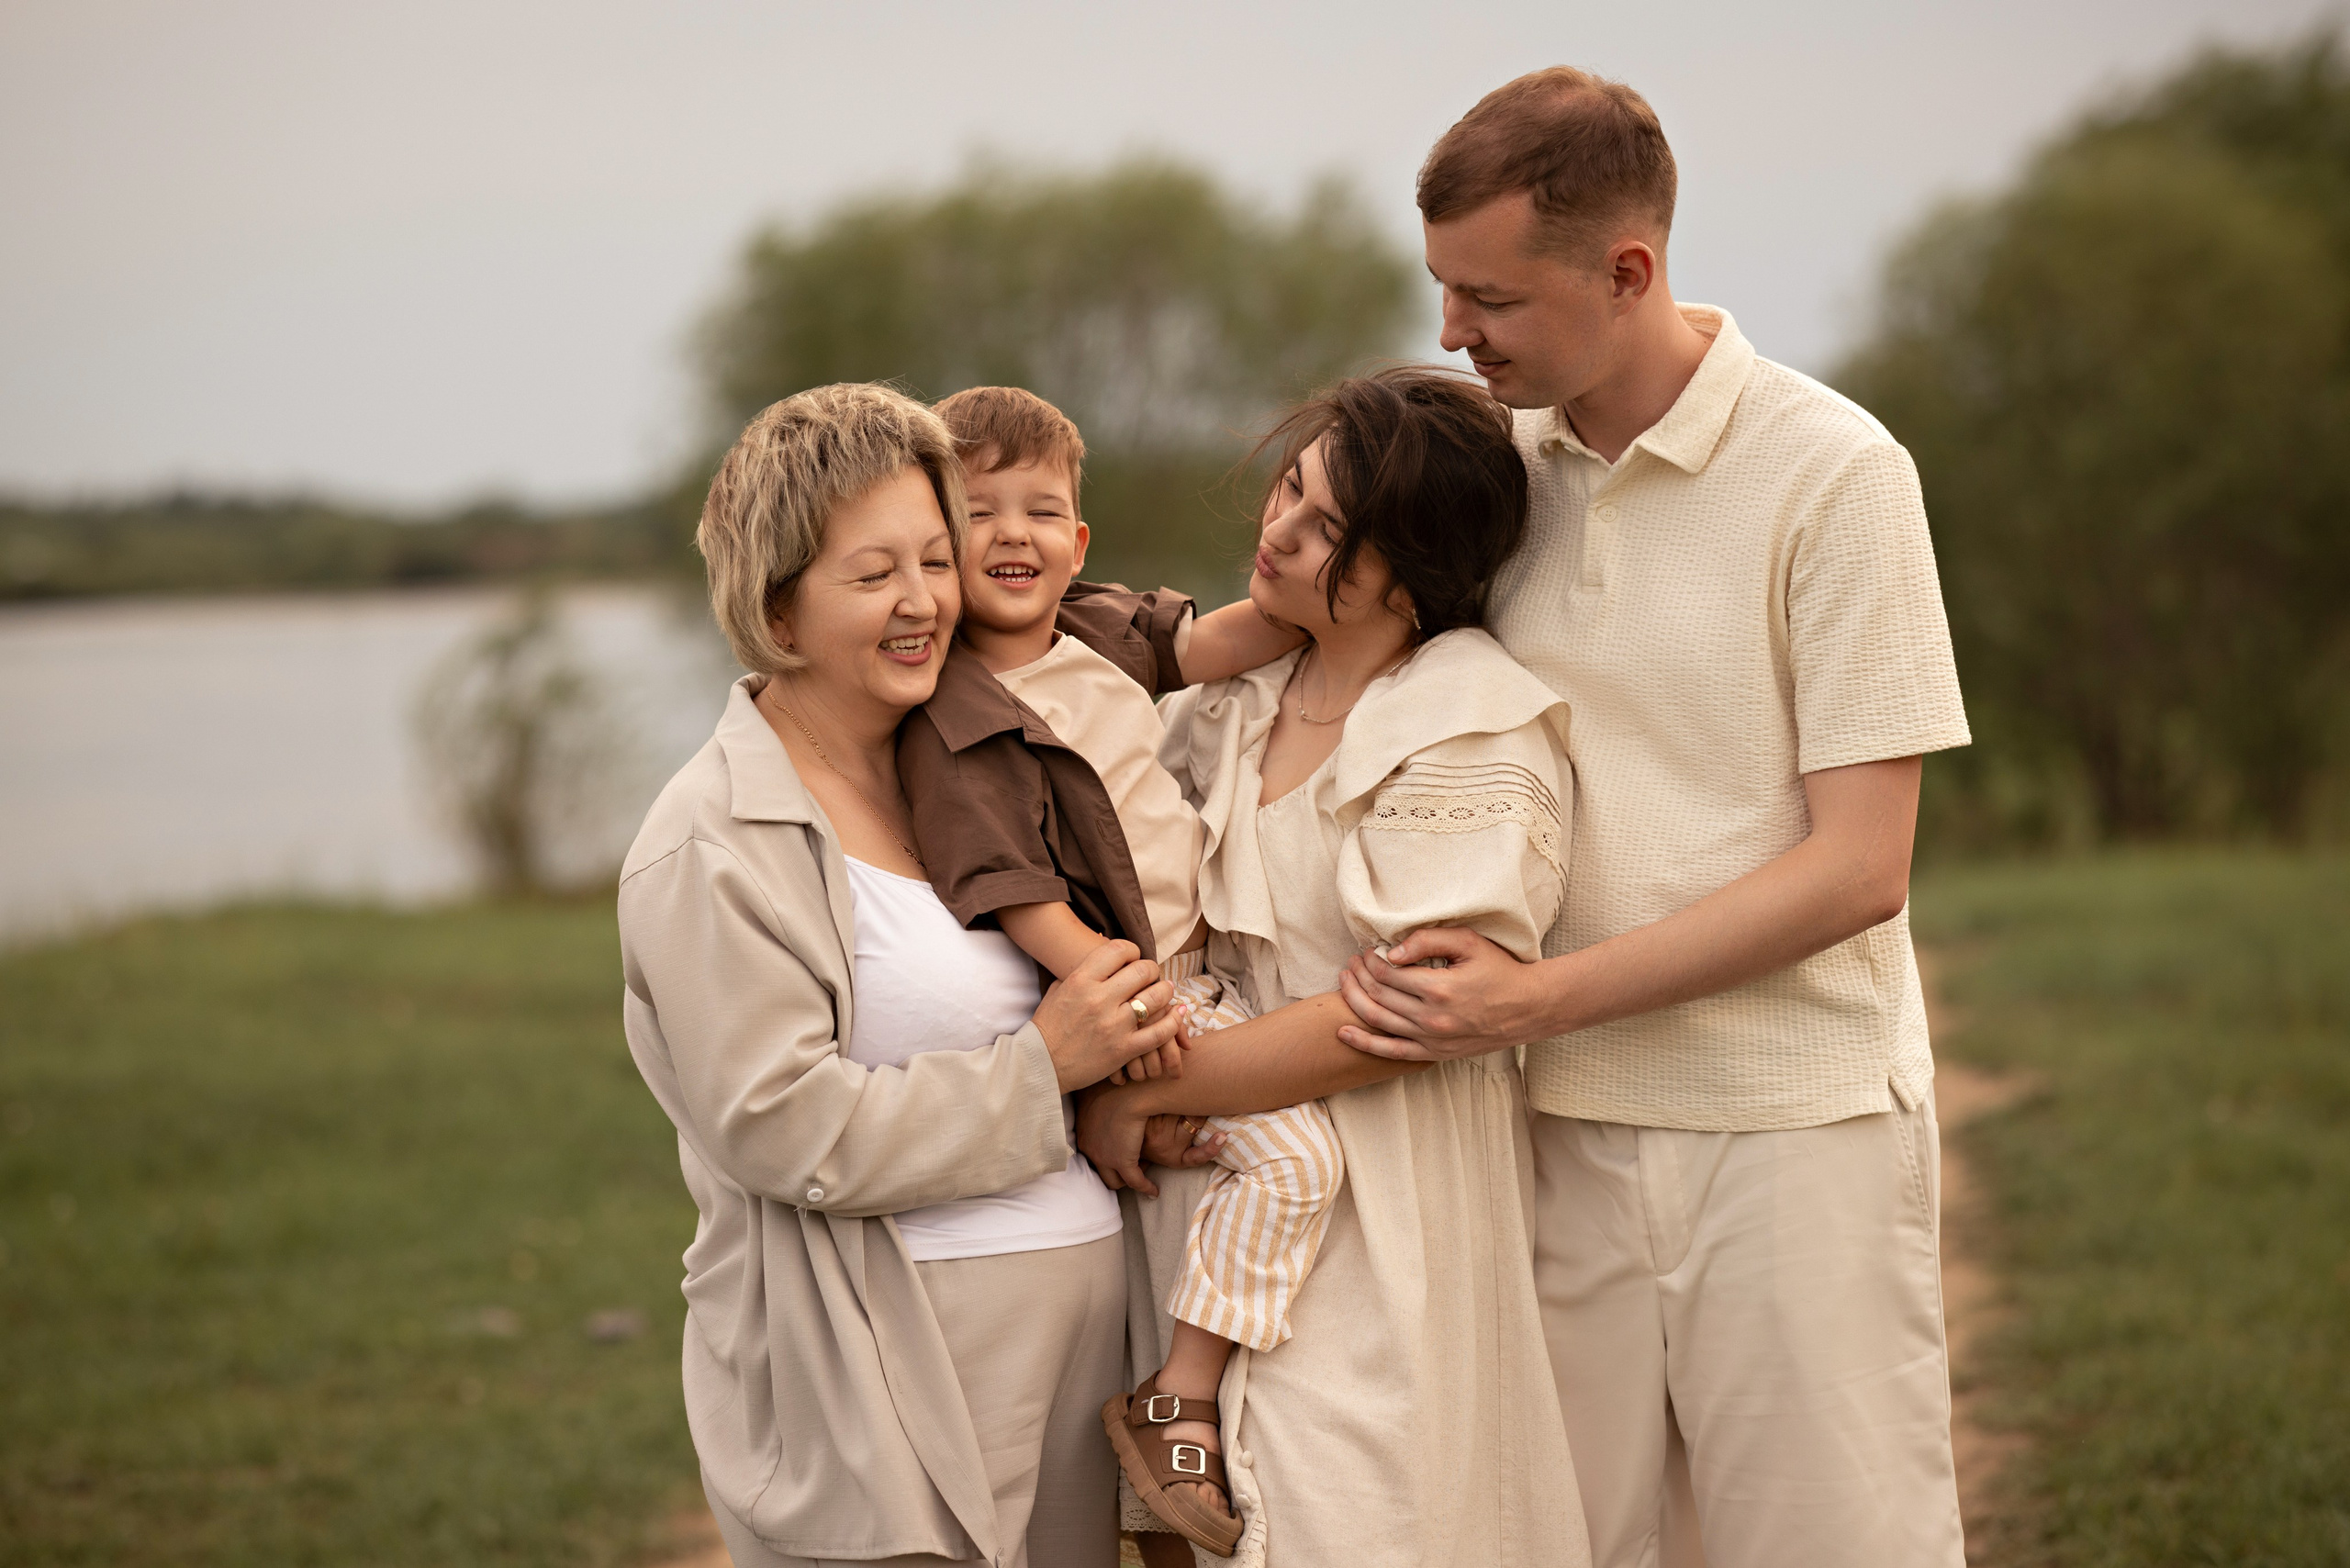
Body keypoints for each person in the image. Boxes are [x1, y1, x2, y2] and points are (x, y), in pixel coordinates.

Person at [1335, 68, 1975, 1568]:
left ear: (1628, 271)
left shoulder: (1838, 474)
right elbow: (1320, 616)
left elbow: (1859, 868)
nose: (1450, 334)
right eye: (1439, 288)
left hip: (1792, 1127)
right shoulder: (1496, 471)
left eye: (1487, 296)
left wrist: (1538, 994)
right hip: (1548, 1128)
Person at [616, 383, 1186, 1568]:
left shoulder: (974, 764)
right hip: (895, 1377)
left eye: (936, 557)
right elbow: (783, 1125)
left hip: (1078, 1366)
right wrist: (1047, 1072)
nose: (924, 601)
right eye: (873, 576)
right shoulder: (716, 838)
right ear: (779, 604)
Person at [1076, 367, 1594, 1568]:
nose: (1280, 534)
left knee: (1355, 1519)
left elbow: (1391, 1020)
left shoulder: (1470, 726)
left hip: (1381, 1201)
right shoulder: (1232, 701)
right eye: (1288, 492)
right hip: (1209, 1186)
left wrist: (1146, 1088)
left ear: (1412, 573)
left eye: (1327, 536)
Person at [891, 386, 1332, 1559]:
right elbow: (1011, 886)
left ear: (1078, 542)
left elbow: (1218, 640)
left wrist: (1333, 603)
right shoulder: (951, 713)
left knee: (1202, 1182)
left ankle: (1174, 1476)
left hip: (1203, 963)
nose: (1014, 534)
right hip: (1132, 984)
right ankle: (1176, 1400)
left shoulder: (1094, 630)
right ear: (935, 542)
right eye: (978, 513)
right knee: (1296, 1162)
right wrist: (1119, 999)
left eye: (1042, 510)